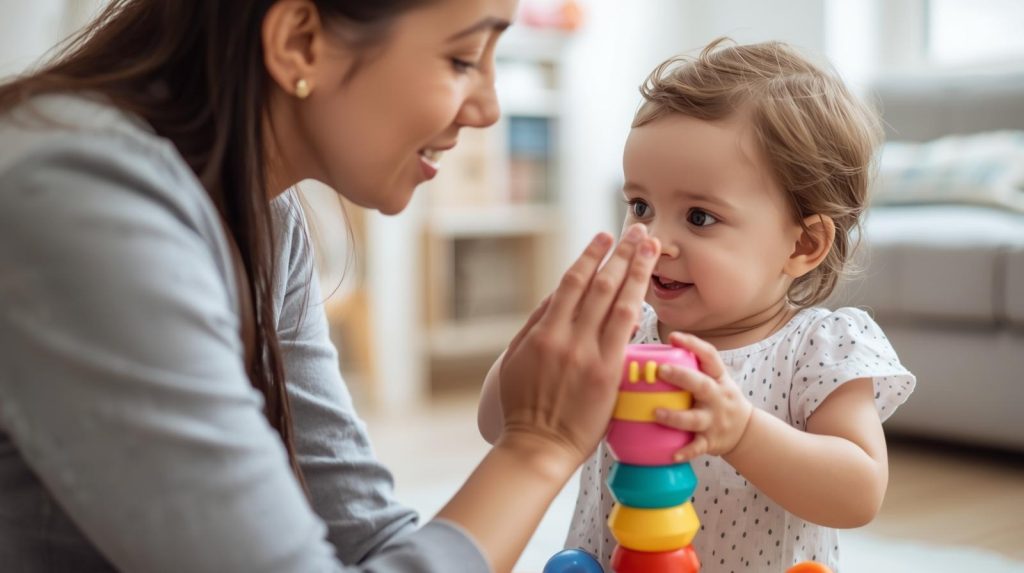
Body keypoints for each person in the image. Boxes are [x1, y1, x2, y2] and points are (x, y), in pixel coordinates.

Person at [0, 1, 663, 571]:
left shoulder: (265, 216)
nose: (490, 107)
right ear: (299, 42)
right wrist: (537, 444)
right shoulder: (81, 197)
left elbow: (363, 533)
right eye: (463, 59)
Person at [478, 38, 917, 571]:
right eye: (640, 205)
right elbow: (498, 426)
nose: (653, 239)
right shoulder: (621, 333)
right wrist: (540, 348)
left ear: (802, 245)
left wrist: (743, 432)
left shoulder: (817, 349)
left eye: (699, 217)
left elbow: (859, 493)